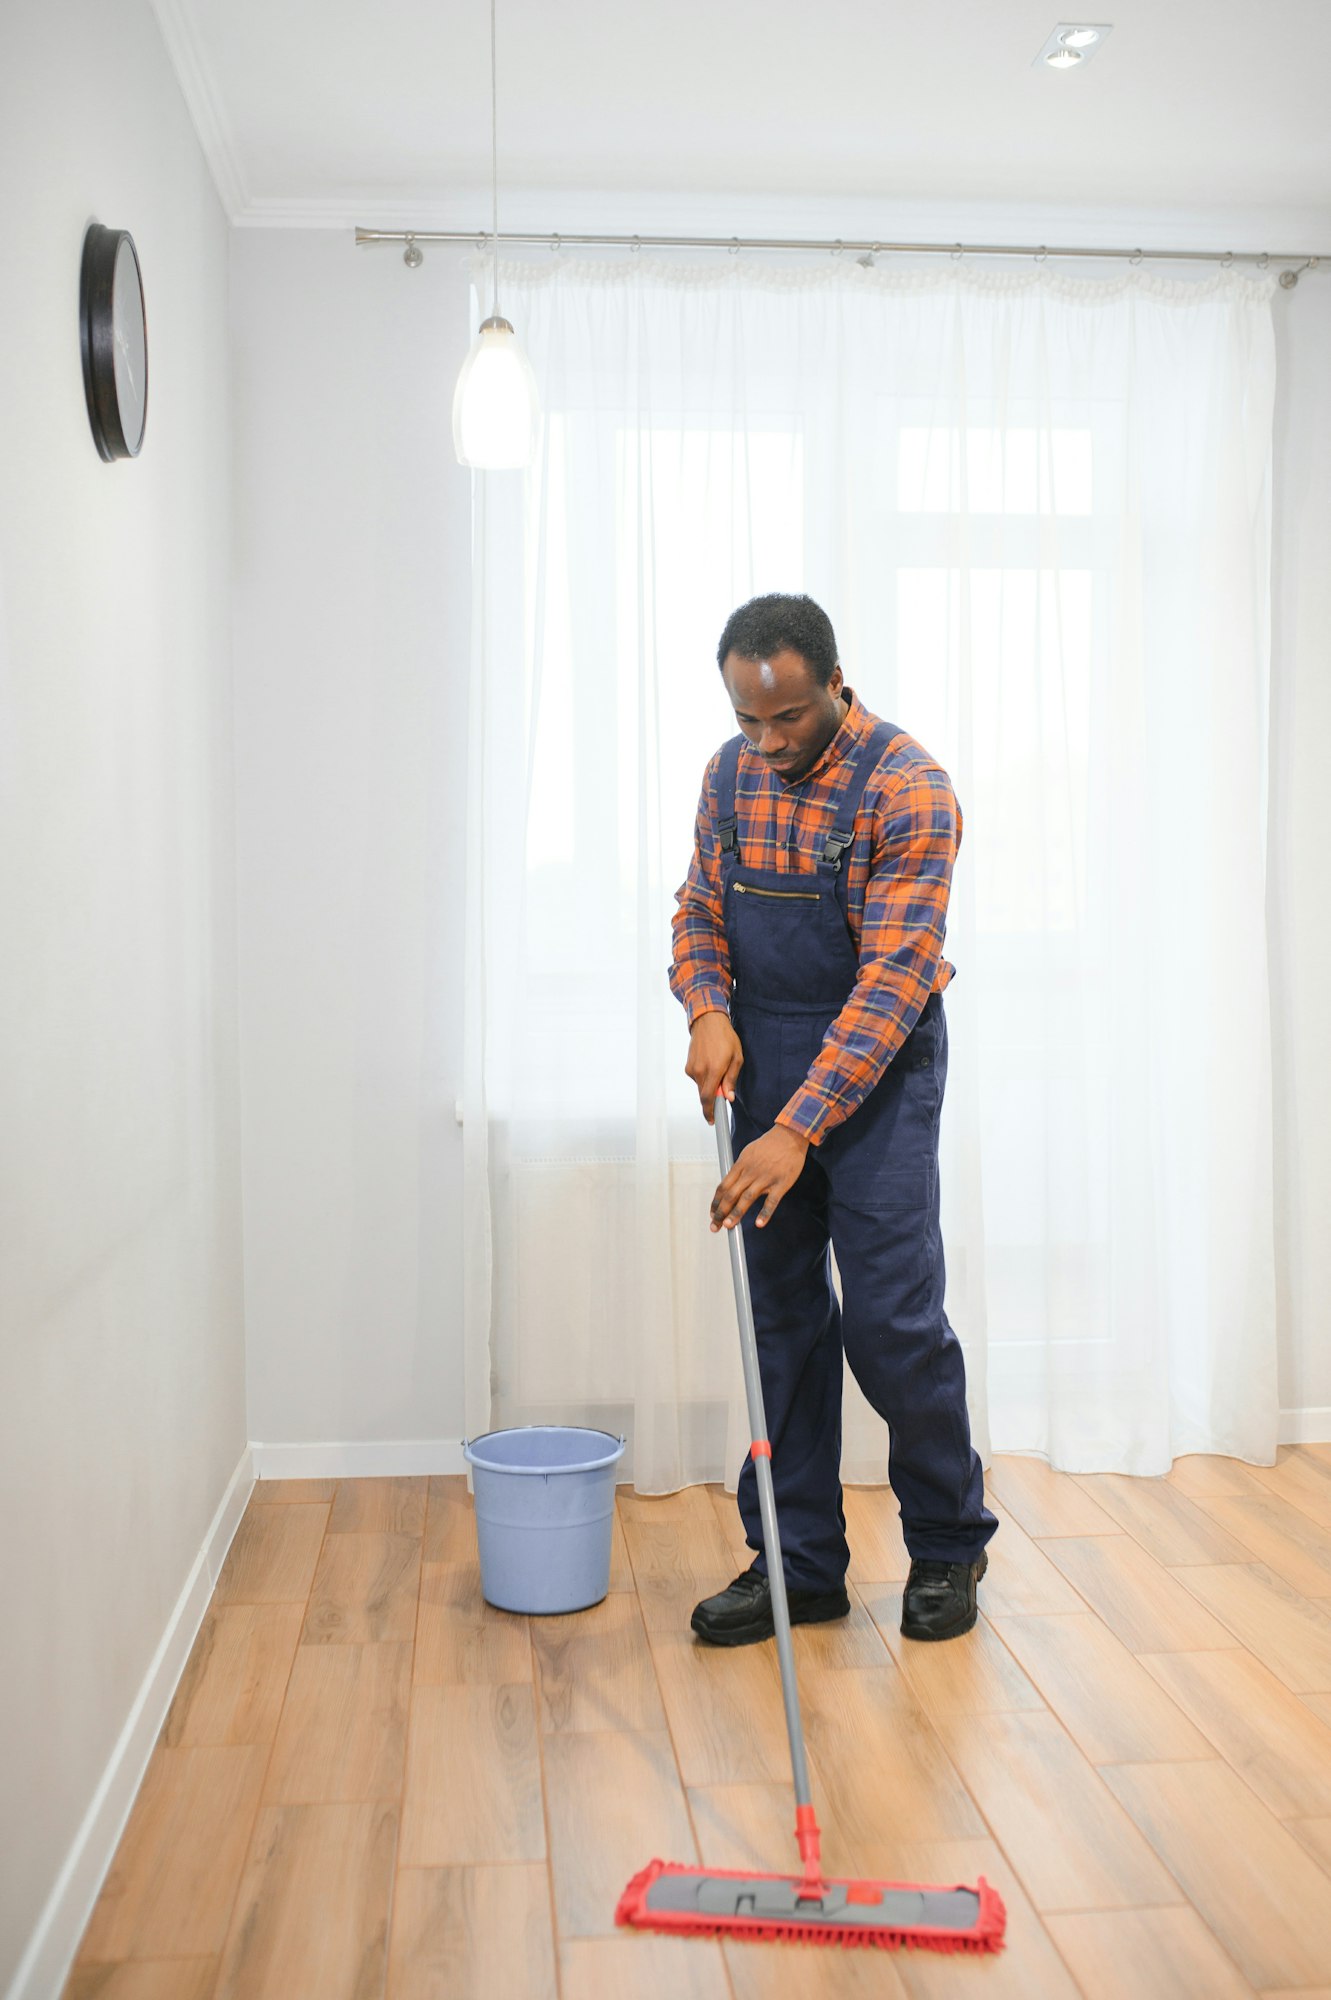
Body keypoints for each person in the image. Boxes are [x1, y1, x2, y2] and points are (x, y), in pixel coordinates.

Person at [670, 592, 996, 1645]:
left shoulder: (908, 790)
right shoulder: (729, 774)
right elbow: (699, 907)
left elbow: (893, 983)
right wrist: (708, 1005)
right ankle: (796, 1563)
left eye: (788, 719)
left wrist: (797, 1123)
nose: (766, 743)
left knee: (890, 1325)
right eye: (746, 718)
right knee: (782, 1329)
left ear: (835, 683)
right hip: (759, 1059)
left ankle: (946, 1542)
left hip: (875, 1074)